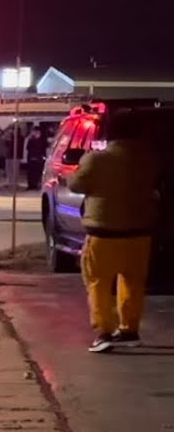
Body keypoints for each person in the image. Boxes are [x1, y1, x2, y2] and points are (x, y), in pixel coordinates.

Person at [68, 112, 160, 353]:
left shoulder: (97, 160)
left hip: (104, 231)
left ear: (109, 133)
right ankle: (129, 329)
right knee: (133, 281)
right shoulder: (149, 159)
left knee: (98, 281)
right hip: (140, 231)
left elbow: (76, 184)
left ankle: (104, 332)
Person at [25, 126, 48, 190]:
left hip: (39, 158)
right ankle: (31, 185)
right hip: (31, 157)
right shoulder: (31, 140)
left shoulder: (43, 139)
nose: (34, 133)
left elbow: (44, 147)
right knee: (30, 172)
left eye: (36, 131)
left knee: (38, 172)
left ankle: (37, 184)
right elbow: (28, 148)